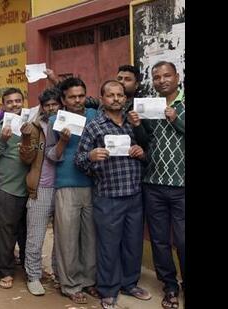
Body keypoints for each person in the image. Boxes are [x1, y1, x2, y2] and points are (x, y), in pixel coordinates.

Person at [75, 80, 150, 309]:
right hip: (107, 196)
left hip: (134, 194)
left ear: (125, 98)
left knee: (133, 244)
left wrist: (141, 152)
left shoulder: (134, 125)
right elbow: (79, 160)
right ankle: (108, 289)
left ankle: (130, 284)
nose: (116, 98)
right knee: (108, 246)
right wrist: (91, 156)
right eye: (111, 95)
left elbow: (148, 154)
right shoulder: (94, 127)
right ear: (103, 98)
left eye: (120, 95)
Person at [128, 61, 185, 309]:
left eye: (167, 76)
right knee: (160, 241)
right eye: (157, 77)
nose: (162, 80)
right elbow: (146, 141)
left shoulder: (182, 106)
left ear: (177, 76)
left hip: (182, 186)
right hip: (153, 184)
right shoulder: (152, 105)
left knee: (183, 241)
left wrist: (177, 120)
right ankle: (170, 286)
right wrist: (138, 125)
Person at [45, 77, 99, 304]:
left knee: (90, 238)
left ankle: (88, 280)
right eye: (72, 97)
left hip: (93, 184)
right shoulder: (55, 120)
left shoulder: (94, 116)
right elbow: (50, 155)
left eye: (81, 95)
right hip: (66, 185)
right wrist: (63, 142)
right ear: (63, 100)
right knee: (67, 238)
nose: (77, 100)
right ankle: (69, 284)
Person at [0, 88, 30, 289]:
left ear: (23, 102)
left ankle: (30, 269)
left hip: (32, 187)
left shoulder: (32, 123)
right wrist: (2, 140)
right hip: (8, 186)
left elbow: (40, 149)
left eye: (18, 101)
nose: (14, 105)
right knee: (6, 231)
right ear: (3, 105)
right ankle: (6, 271)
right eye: (10, 102)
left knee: (28, 232)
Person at [18, 87, 62, 296]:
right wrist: (26, 139)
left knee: (63, 237)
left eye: (55, 104)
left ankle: (59, 275)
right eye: (48, 105)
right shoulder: (36, 126)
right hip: (42, 187)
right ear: (43, 107)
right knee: (35, 236)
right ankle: (33, 276)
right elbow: (26, 158)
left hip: (65, 187)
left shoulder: (70, 122)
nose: (52, 108)